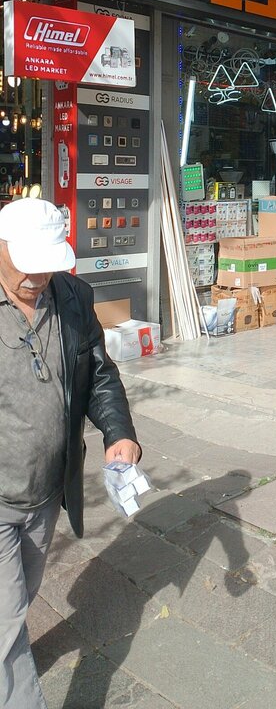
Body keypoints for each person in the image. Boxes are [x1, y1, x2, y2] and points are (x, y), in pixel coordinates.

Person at [0, 198, 141, 709]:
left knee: (19, 599)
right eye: (26, 264)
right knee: (5, 620)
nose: (37, 278)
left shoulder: (74, 297)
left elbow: (100, 374)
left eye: (47, 266)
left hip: (45, 494)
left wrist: (118, 432)